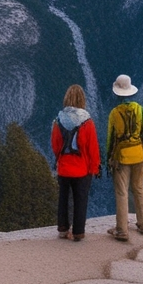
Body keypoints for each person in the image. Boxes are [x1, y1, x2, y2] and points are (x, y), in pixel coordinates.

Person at [105, 74, 143, 242]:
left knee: (122, 192)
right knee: (139, 188)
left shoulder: (114, 113)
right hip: (139, 153)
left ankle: (122, 229)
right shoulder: (140, 110)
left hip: (122, 156)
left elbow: (111, 139)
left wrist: (108, 159)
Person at [51, 84, 100, 241]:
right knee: (80, 199)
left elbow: (56, 144)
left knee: (63, 198)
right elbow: (92, 147)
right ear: (82, 100)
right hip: (82, 168)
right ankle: (78, 232)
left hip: (64, 167)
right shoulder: (87, 122)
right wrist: (94, 167)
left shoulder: (58, 120)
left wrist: (60, 160)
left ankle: (63, 229)